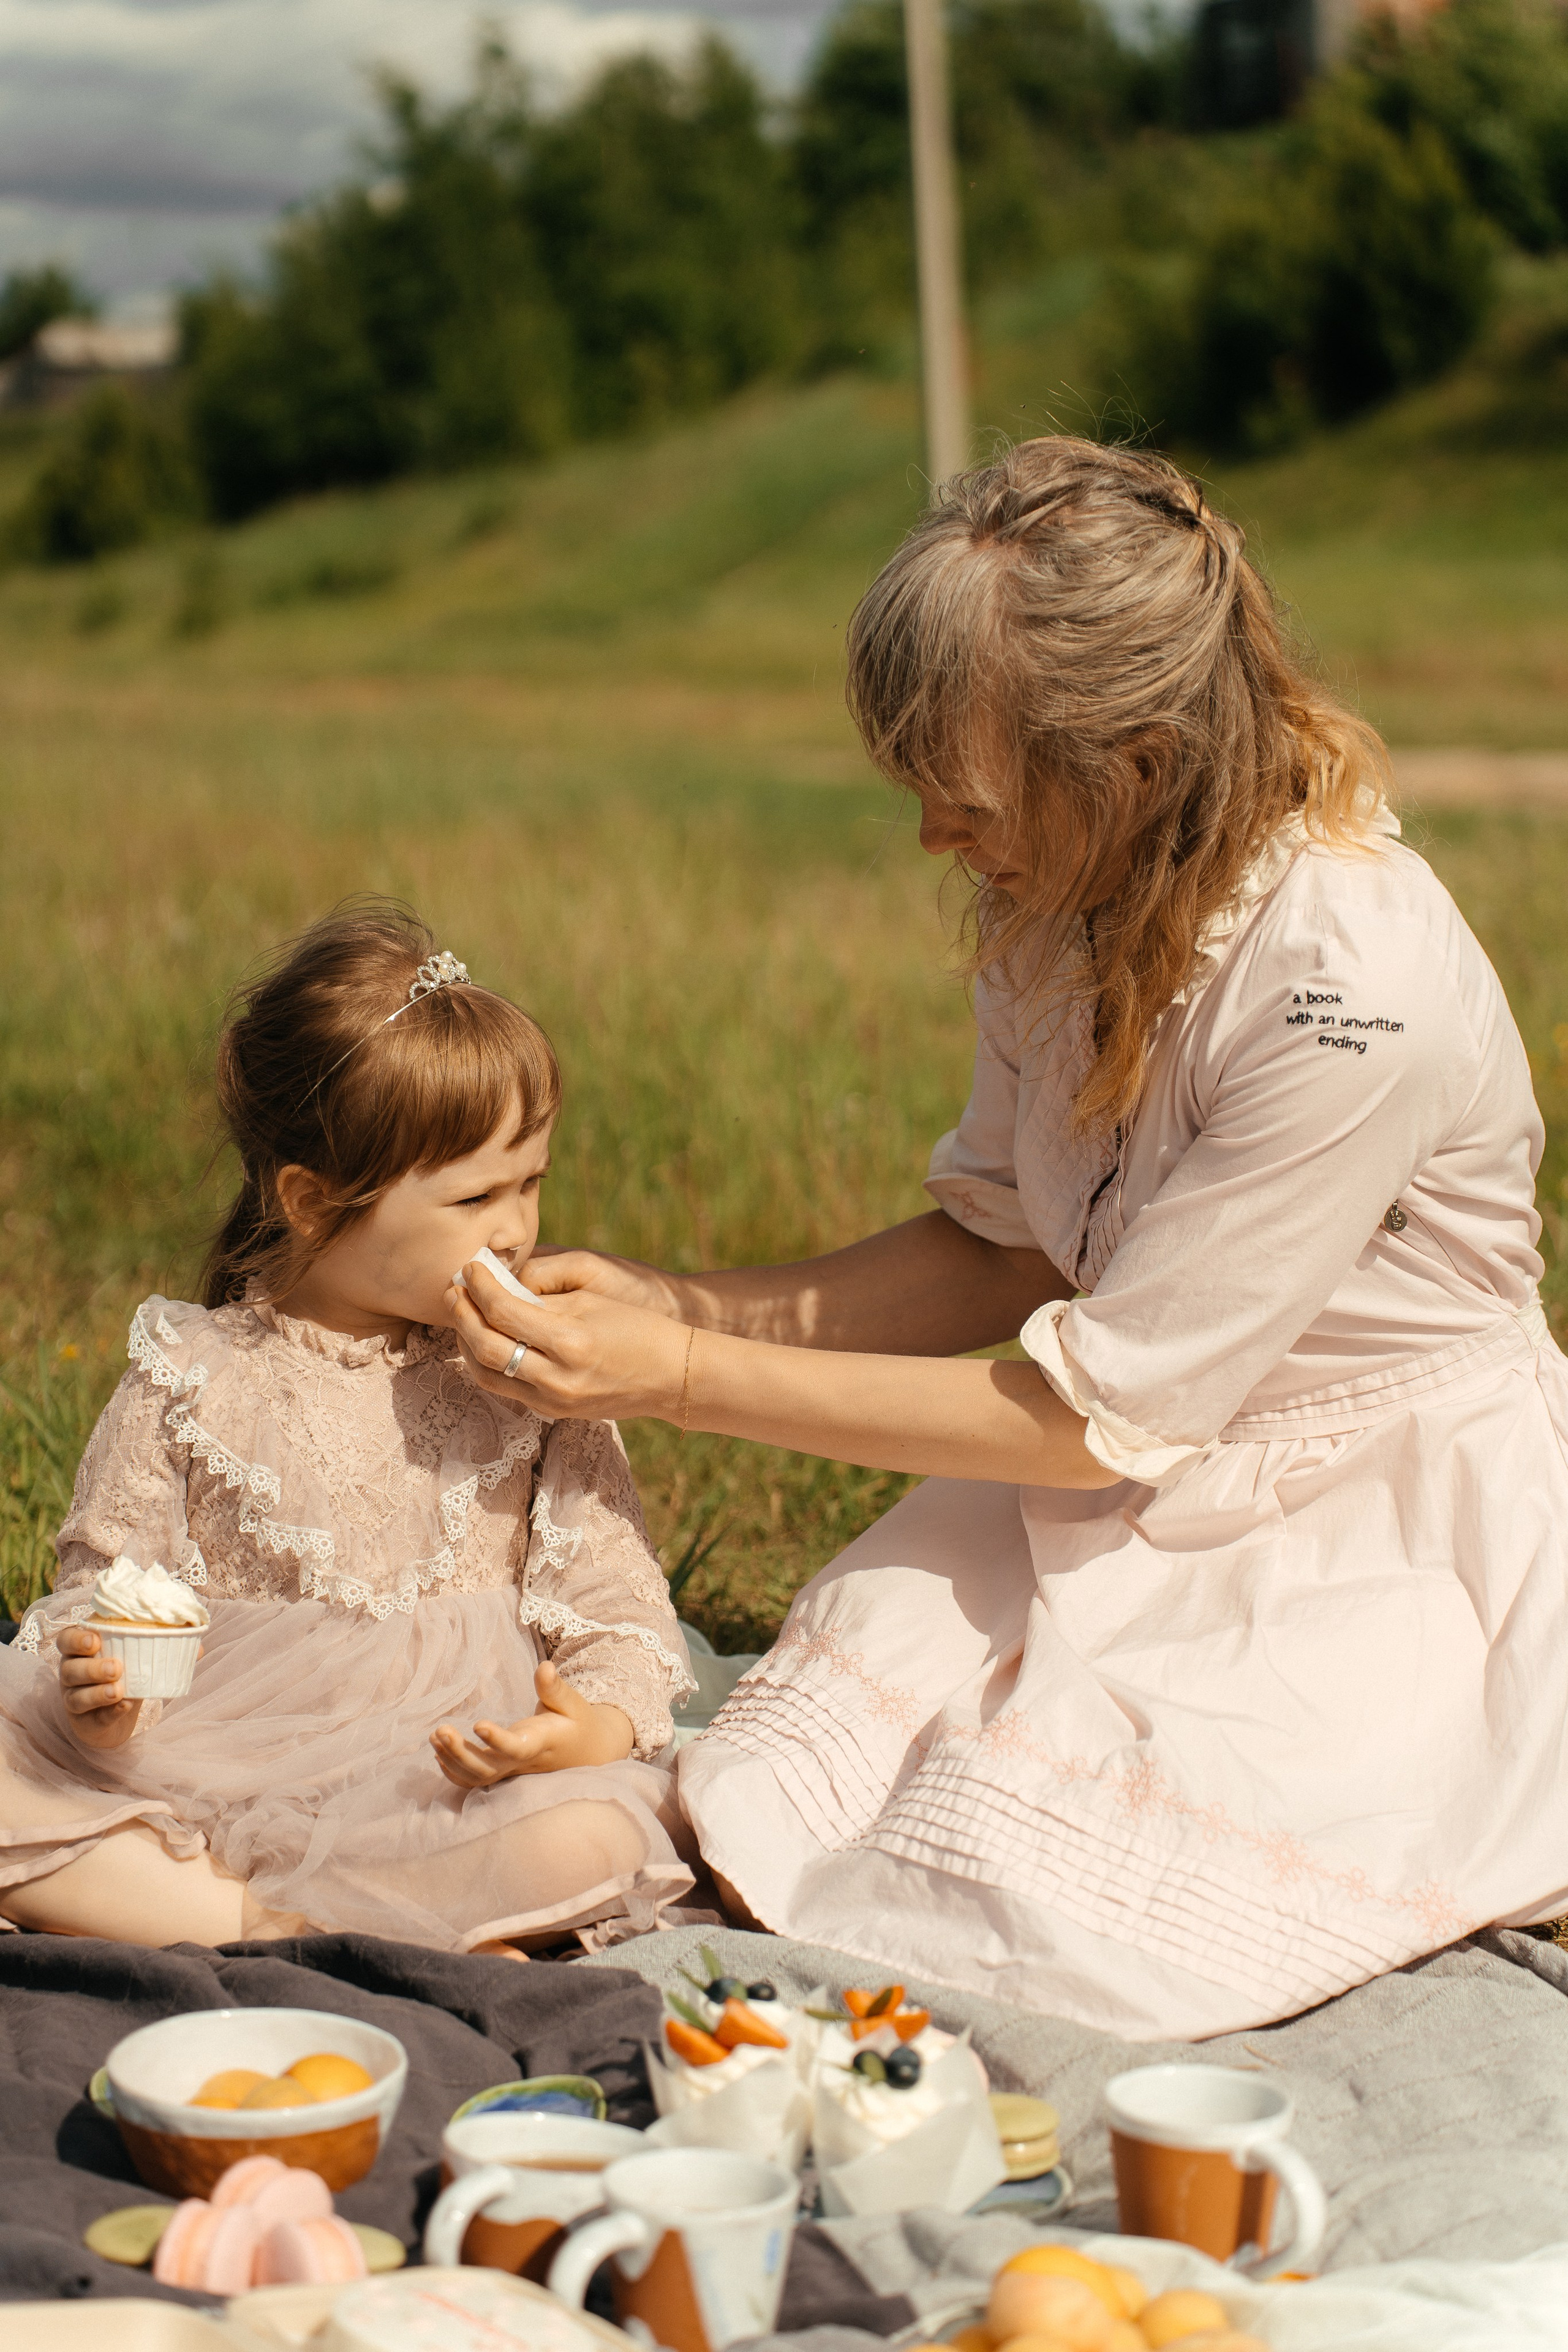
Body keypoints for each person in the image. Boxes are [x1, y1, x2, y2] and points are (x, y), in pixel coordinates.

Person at [450, 436, 1568, 2038]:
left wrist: (676, 1370)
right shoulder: (1066, 906)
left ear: (1135, 762)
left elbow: (1084, 1417)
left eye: (959, 799)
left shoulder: (1346, 990)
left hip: (1368, 1510)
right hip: (1127, 1458)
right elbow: (998, 1253)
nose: (930, 841)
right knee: (775, 1775)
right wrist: (677, 1301)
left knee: (1065, 1905)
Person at [0, 905, 694, 1953]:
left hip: (436, 1780)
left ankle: (306, 1913)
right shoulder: (195, 1370)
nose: (516, 1227)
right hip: (213, 1761)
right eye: (476, 1196)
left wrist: (584, 1729)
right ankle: (263, 1921)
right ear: (315, 1204)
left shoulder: (534, 1381)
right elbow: (109, 1588)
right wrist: (106, 1693)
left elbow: (617, 1609)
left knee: (595, 1834)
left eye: (531, 1183)